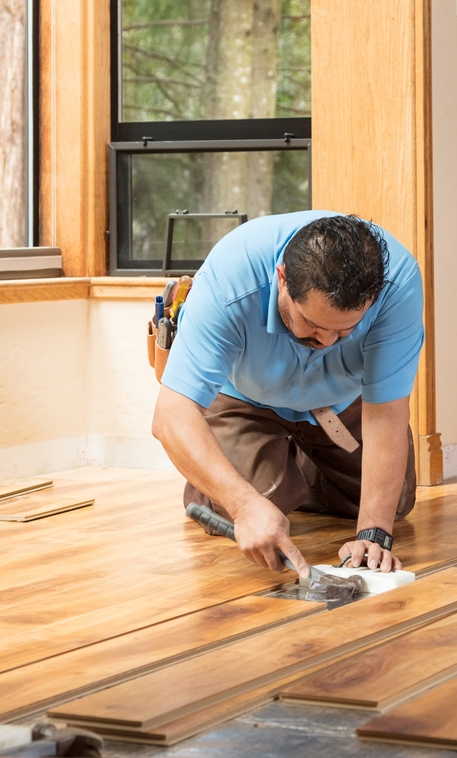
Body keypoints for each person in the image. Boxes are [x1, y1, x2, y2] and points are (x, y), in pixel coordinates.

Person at [151, 211, 423, 579]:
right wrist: (244, 506)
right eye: (312, 324)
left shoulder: (399, 285)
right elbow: (171, 414)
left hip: (338, 400)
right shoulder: (231, 276)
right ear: (282, 279)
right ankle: (255, 475)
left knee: (396, 503)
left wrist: (373, 532)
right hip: (244, 396)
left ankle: (295, 462)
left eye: (345, 332)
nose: (326, 342)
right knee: (253, 502)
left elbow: (388, 411)